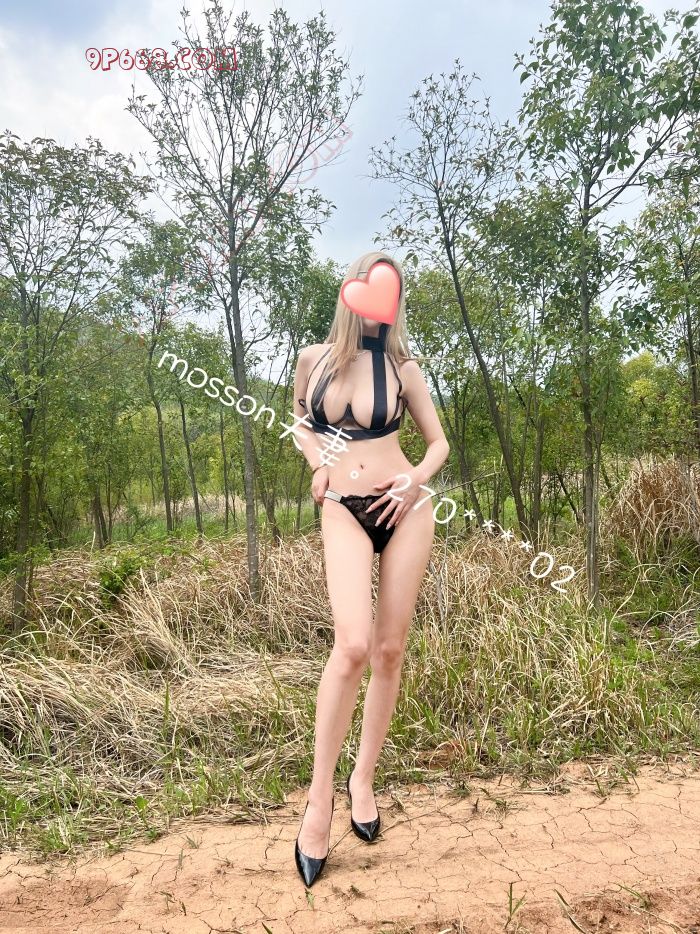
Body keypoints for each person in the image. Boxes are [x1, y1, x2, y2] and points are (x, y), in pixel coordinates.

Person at [291, 250, 450, 886]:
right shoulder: (314, 359)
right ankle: (318, 802)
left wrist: (415, 480)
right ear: (352, 292)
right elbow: (302, 423)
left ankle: (363, 778)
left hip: (406, 509)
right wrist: (317, 464)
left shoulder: (404, 369)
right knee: (352, 645)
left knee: (388, 650)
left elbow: (438, 442)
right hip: (343, 507)